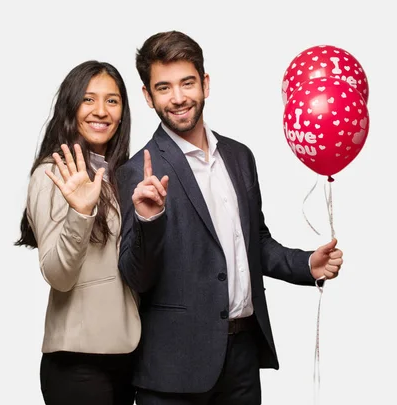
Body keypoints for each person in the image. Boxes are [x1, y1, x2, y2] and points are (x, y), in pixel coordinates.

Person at [116, 31, 344, 405]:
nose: (177, 98)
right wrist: (147, 219)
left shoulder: (239, 157)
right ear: (147, 96)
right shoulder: (137, 173)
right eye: (163, 87)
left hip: (241, 359)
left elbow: (257, 242)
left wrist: (307, 264)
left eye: (187, 83)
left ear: (204, 84)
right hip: (174, 370)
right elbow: (135, 277)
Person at [15, 60, 140, 405]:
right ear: (71, 106)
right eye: (89, 99)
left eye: (112, 101)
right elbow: (59, 276)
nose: (101, 111)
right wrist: (80, 212)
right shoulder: (51, 175)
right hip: (77, 363)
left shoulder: (119, 176)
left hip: (127, 357)